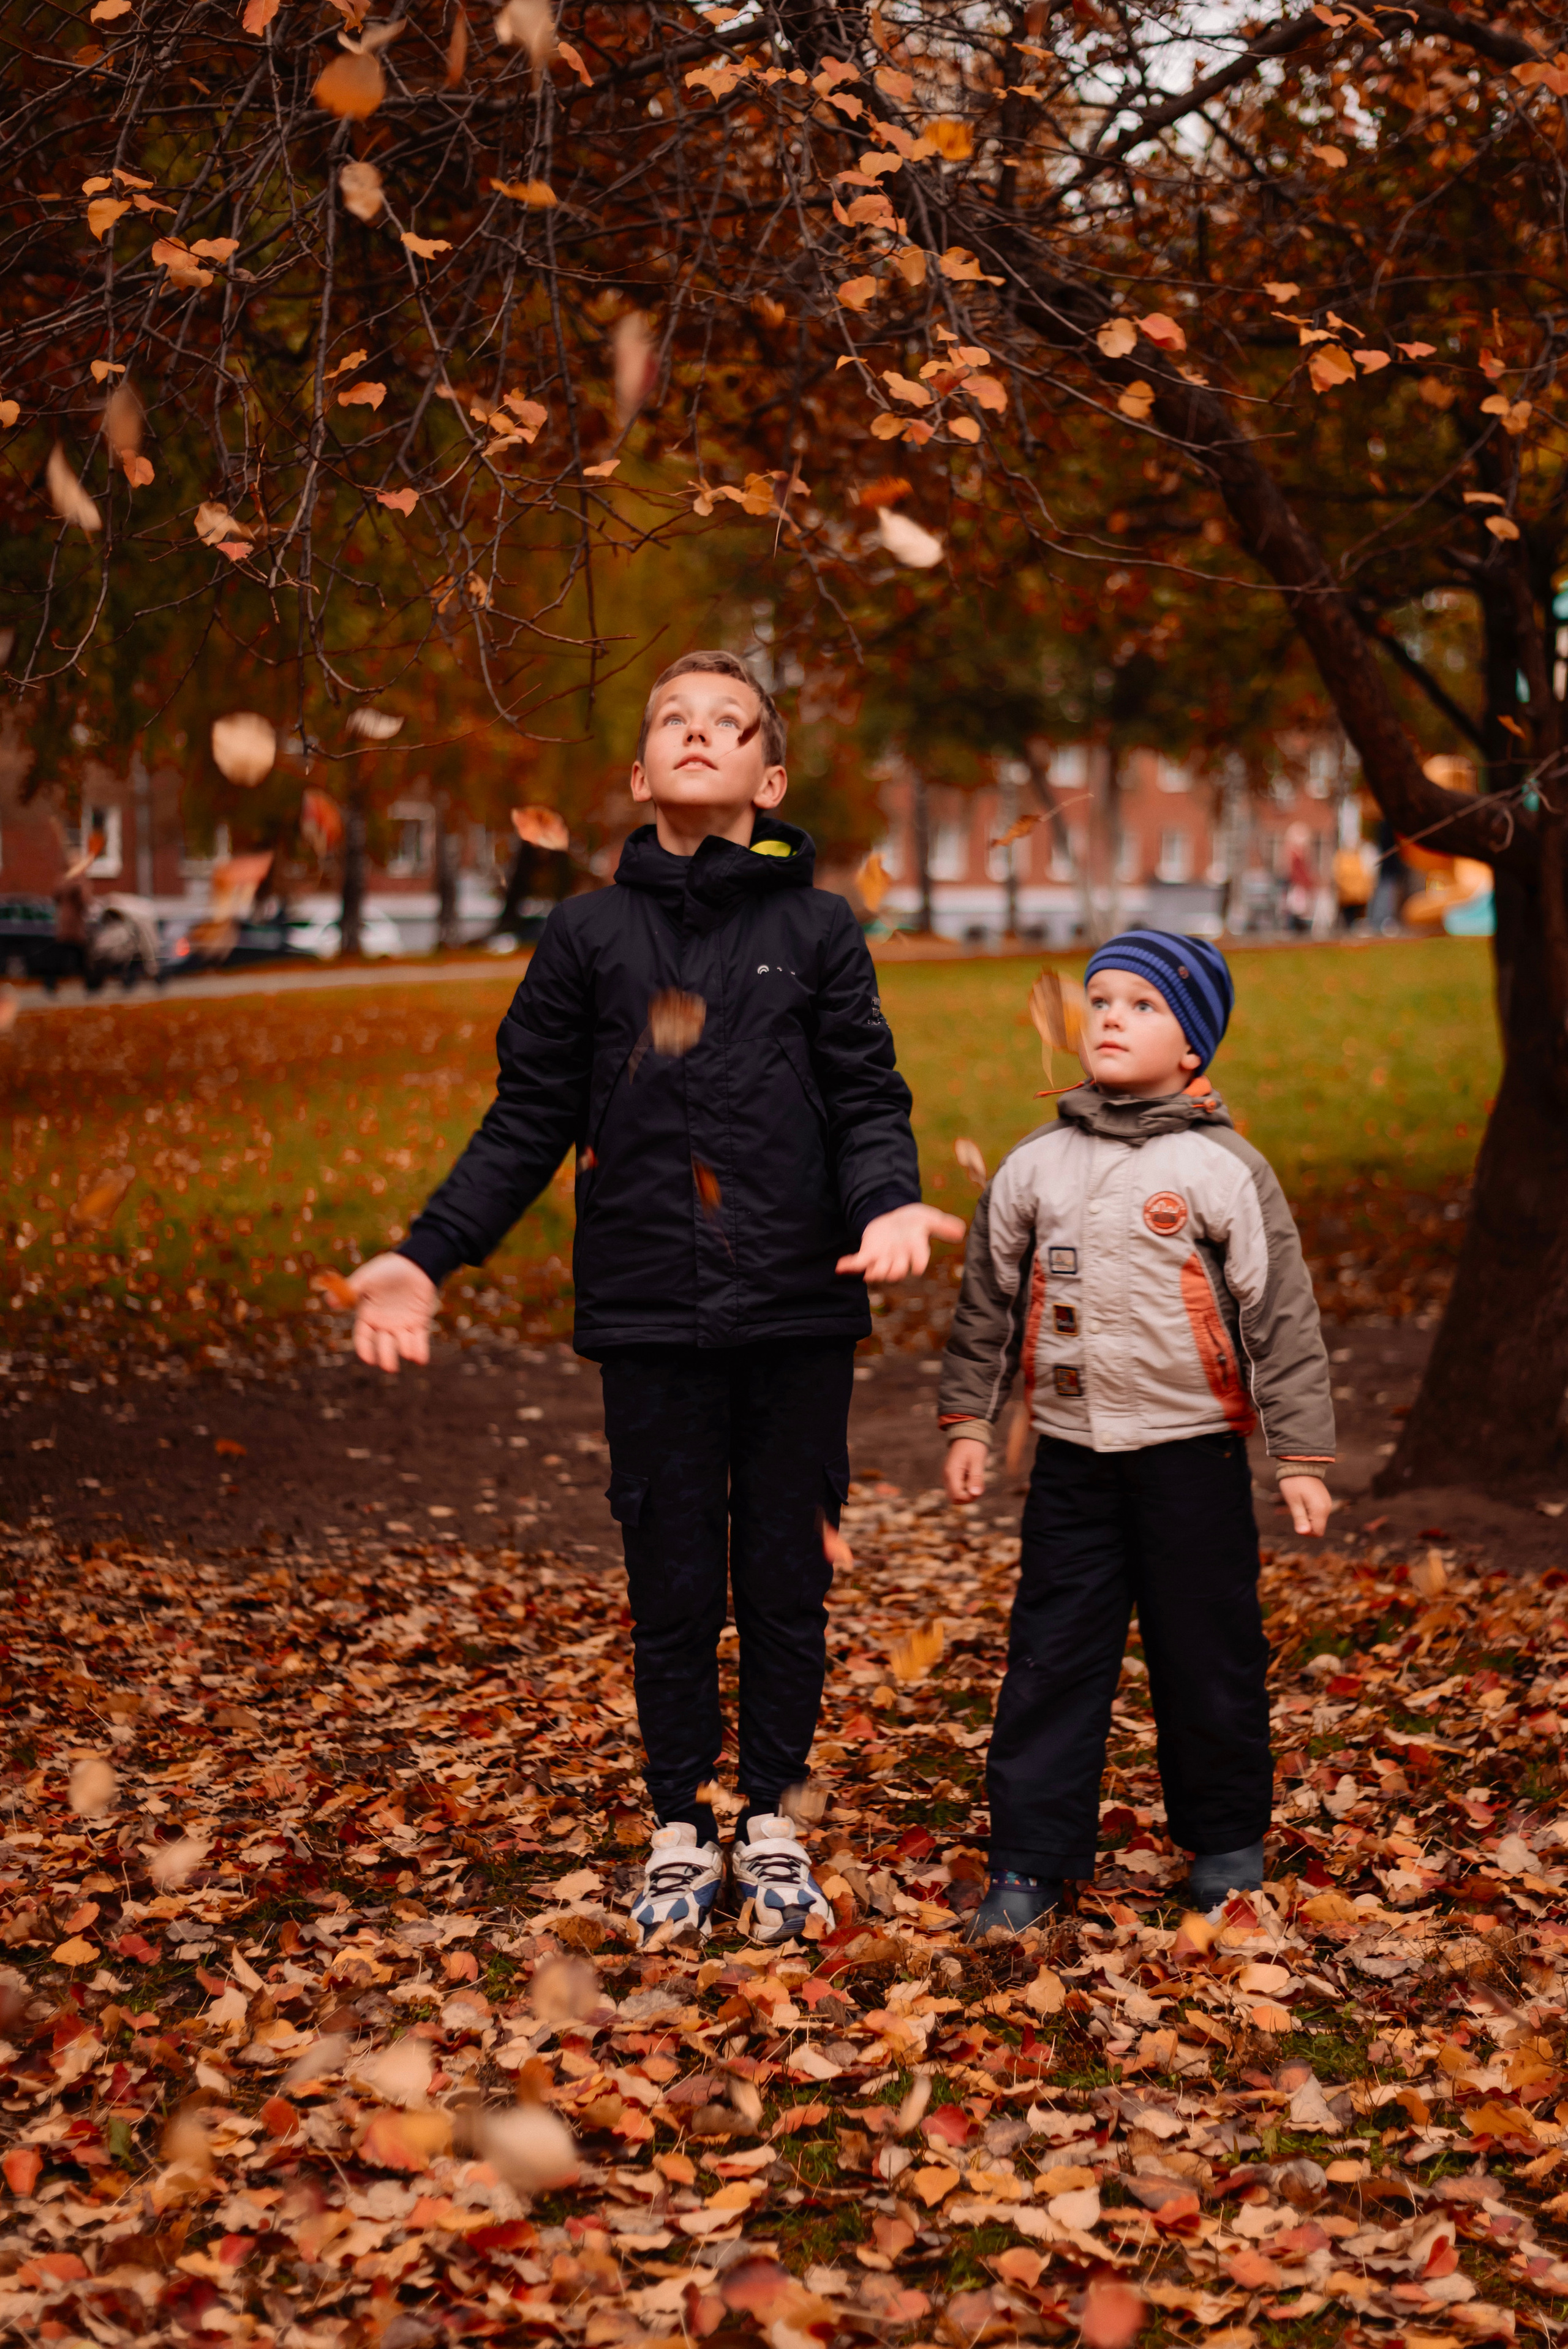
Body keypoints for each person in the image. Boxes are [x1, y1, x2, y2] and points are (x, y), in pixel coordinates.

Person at [348, 651, 962, 1946]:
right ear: (639, 775)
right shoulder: (585, 937)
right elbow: (525, 1120)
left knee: (784, 1576)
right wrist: (428, 1253)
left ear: (767, 775)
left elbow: (863, 1098)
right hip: (648, 1312)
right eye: (671, 720)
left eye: (726, 723)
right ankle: (682, 1825)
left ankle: (773, 1824)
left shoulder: (817, 930)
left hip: (800, 1304)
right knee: (675, 1578)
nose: (697, 735)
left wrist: (884, 1203)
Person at [939, 930, 1334, 1936]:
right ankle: (1030, 1858)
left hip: (1193, 1457)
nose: (1111, 1016)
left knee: (1208, 1655)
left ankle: (1228, 1846)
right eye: (1100, 999)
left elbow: (1279, 1313)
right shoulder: (1036, 1165)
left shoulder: (1221, 1167)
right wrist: (970, 1420)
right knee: (1051, 1657)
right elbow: (986, 1299)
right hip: (1071, 1462)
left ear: (1193, 1047)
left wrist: (1299, 1453)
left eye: (1143, 1005)